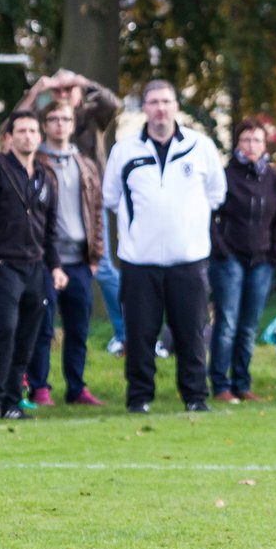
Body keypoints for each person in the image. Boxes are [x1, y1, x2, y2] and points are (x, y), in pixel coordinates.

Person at [103, 80, 226, 413]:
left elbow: (216, 194)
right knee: (140, 334)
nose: (160, 108)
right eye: (153, 102)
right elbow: (111, 199)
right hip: (139, 262)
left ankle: (195, 397)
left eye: (166, 101)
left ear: (176, 106)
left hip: (189, 260)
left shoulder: (201, 147)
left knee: (191, 333)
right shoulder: (125, 151)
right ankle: (139, 397)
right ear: (144, 108)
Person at [0, 111, 68, 420]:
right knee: (4, 330)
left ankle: (11, 401)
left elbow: (50, 229)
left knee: (27, 335)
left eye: (32, 131)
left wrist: (56, 267)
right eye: (20, 131)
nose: (27, 136)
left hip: (35, 266)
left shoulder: (45, 177)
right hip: (1, 264)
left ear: (39, 136)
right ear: (9, 137)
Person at [17, 68, 126, 354]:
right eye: (59, 91)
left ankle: (126, 334)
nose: (64, 95)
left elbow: (113, 103)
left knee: (103, 268)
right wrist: (37, 91)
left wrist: (83, 81)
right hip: (51, 204)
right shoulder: (47, 118)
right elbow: (16, 125)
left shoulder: (91, 117)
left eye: (69, 90)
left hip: (88, 205)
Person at [25, 100, 106, 406]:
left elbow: (96, 212)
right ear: (45, 125)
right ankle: (39, 386)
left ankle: (76, 387)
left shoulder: (85, 165)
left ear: (73, 125)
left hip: (80, 261)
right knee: (42, 326)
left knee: (78, 329)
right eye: (54, 119)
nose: (60, 124)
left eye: (65, 119)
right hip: (45, 259)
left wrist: (96, 255)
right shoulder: (35, 163)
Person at [209, 118, 276, 403]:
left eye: (256, 140)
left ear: (264, 145)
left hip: (262, 261)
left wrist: (274, 253)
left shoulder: (271, 177)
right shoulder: (226, 174)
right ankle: (220, 384)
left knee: (249, 325)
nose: (251, 146)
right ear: (237, 144)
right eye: (246, 140)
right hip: (230, 259)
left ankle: (242, 383)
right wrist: (222, 250)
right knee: (227, 321)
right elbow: (211, 216)